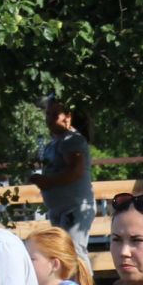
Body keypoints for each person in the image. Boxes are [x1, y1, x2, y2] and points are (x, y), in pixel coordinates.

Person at [27, 98, 94, 259]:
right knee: (63, 254)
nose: (49, 119)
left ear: (68, 117)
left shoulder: (72, 140)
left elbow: (75, 171)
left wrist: (47, 182)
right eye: (48, 114)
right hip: (59, 210)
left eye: (55, 114)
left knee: (74, 253)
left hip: (73, 208)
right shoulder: (54, 143)